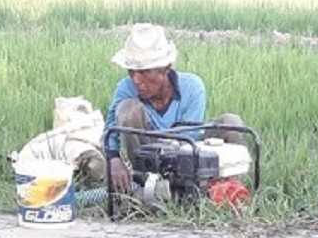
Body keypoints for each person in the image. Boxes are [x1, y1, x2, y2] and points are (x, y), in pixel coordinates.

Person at [103, 23, 243, 193]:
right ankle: (144, 183)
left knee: (231, 122)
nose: (136, 80)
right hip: (147, 155)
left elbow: (187, 139)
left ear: (165, 69)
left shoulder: (192, 87)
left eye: (145, 71)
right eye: (131, 72)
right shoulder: (126, 88)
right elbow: (110, 130)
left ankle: (222, 187)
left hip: (188, 150)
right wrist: (114, 160)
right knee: (127, 110)